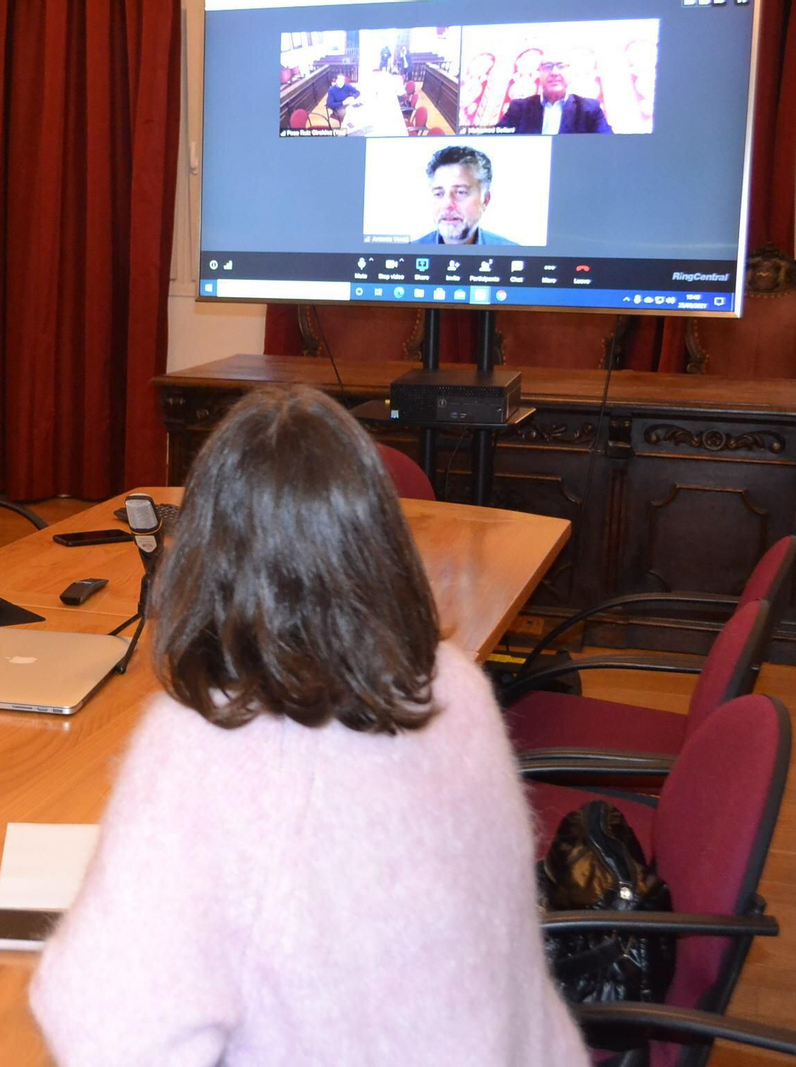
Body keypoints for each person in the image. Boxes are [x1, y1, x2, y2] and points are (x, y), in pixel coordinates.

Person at [29, 386, 589, 1067]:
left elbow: (108, 1034)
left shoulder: (208, 746)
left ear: (200, 555)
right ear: (380, 536)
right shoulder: (455, 686)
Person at [414, 144, 519, 245]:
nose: (447, 204)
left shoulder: (512, 252)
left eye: (461, 192)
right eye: (438, 194)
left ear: (485, 200)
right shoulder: (411, 252)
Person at [496, 55, 612, 134]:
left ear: (570, 73)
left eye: (561, 66)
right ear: (539, 73)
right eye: (548, 66)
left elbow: (607, 145)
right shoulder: (519, 108)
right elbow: (496, 139)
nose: (554, 72)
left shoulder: (590, 109)